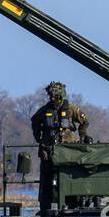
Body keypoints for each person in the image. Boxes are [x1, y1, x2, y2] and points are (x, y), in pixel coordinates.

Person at [30, 81, 90, 209]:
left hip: (68, 152)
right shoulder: (45, 110)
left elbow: (84, 121)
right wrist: (39, 138)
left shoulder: (72, 109)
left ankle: (73, 205)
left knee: (71, 177)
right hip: (48, 151)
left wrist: (82, 136)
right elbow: (34, 122)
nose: (53, 99)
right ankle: (45, 208)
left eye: (56, 96)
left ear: (61, 96)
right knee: (46, 178)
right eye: (51, 96)